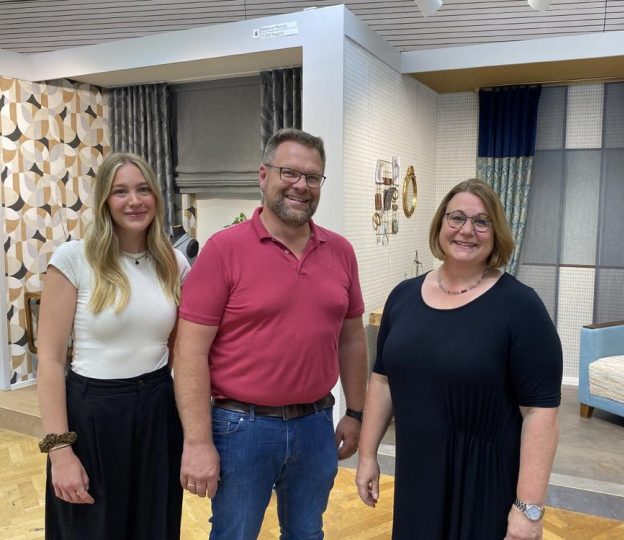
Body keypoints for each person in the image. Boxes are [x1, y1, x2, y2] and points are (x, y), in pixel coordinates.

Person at [173, 128, 368, 539]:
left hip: (316, 425)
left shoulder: (341, 252)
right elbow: (190, 353)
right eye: (289, 172)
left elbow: (352, 338)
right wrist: (197, 442)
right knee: (235, 534)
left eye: (312, 177)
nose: (301, 185)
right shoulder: (223, 250)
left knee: (307, 533)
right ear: (264, 175)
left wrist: (355, 413)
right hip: (241, 429)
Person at [356, 179, 563, 540]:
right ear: (441, 224)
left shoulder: (521, 307)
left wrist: (529, 508)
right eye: (457, 218)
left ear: (496, 233)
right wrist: (366, 454)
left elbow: (540, 412)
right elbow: (382, 380)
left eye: (482, 222)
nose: (467, 230)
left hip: (483, 485)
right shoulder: (403, 297)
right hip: (417, 478)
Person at [36, 152, 190, 539]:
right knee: (89, 528)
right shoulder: (73, 259)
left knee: (153, 526)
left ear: (156, 196)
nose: (134, 201)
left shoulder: (174, 264)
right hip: (93, 416)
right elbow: (50, 361)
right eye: (120, 191)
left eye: (143, 190)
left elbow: (177, 351)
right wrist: (60, 451)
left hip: (157, 412)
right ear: (105, 199)